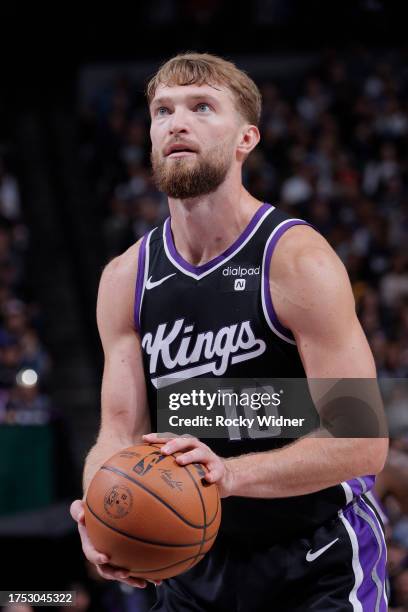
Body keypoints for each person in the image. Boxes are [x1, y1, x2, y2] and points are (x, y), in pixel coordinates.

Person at [71, 53, 389, 611]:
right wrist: (101, 511)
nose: (177, 122)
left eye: (201, 107)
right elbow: (117, 432)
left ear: (247, 138)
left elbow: (362, 440)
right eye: (162, 111)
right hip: (193, 568)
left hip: (316, 560)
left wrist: (227, 475)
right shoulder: (125, 278)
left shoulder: (296, 260)